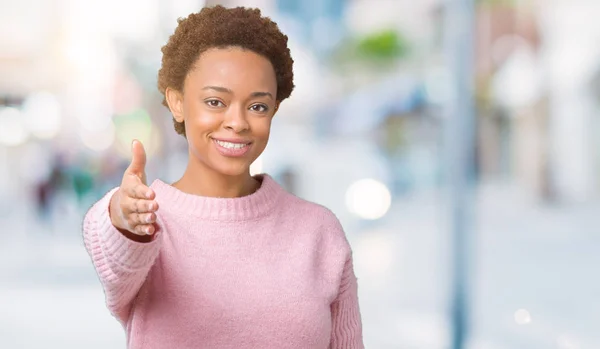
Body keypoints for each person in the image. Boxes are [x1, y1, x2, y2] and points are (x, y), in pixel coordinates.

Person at [82, 5, 363, 349]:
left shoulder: (319, 231)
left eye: (258, 106)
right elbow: (113, 251)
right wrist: (123, 218)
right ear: (177, 102)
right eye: (216, 101)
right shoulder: (148, 221)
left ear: (274, 108)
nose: (238, 122)